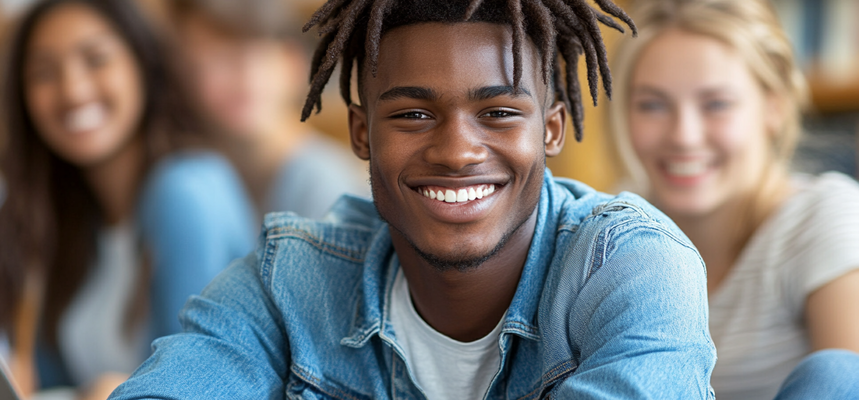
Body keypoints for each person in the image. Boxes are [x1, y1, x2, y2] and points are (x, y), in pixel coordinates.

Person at [110, 0, 718, 398]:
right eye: (414, 113)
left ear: (552, 129)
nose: (457, 151)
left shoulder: (632, 264)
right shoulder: (291, 281)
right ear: (360, 134)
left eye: (499, 112)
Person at [0, 0, 256, 398]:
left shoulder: (186, 190)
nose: (72, 89)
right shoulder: (65, 215)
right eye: (43, 72)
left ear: (144, 64)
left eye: (96, 59)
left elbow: (193, 388)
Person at [608, 0, 859, 399]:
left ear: (773, 105)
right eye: (652, 105)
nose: (684, 136)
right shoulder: (609, 230)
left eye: (717, 105)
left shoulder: (822, 217)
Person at [166, 0, 369, 219]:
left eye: (256, 55)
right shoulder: (202, 173)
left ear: (293, 63)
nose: (243, 78)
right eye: (214, 61)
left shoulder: (323, 183)